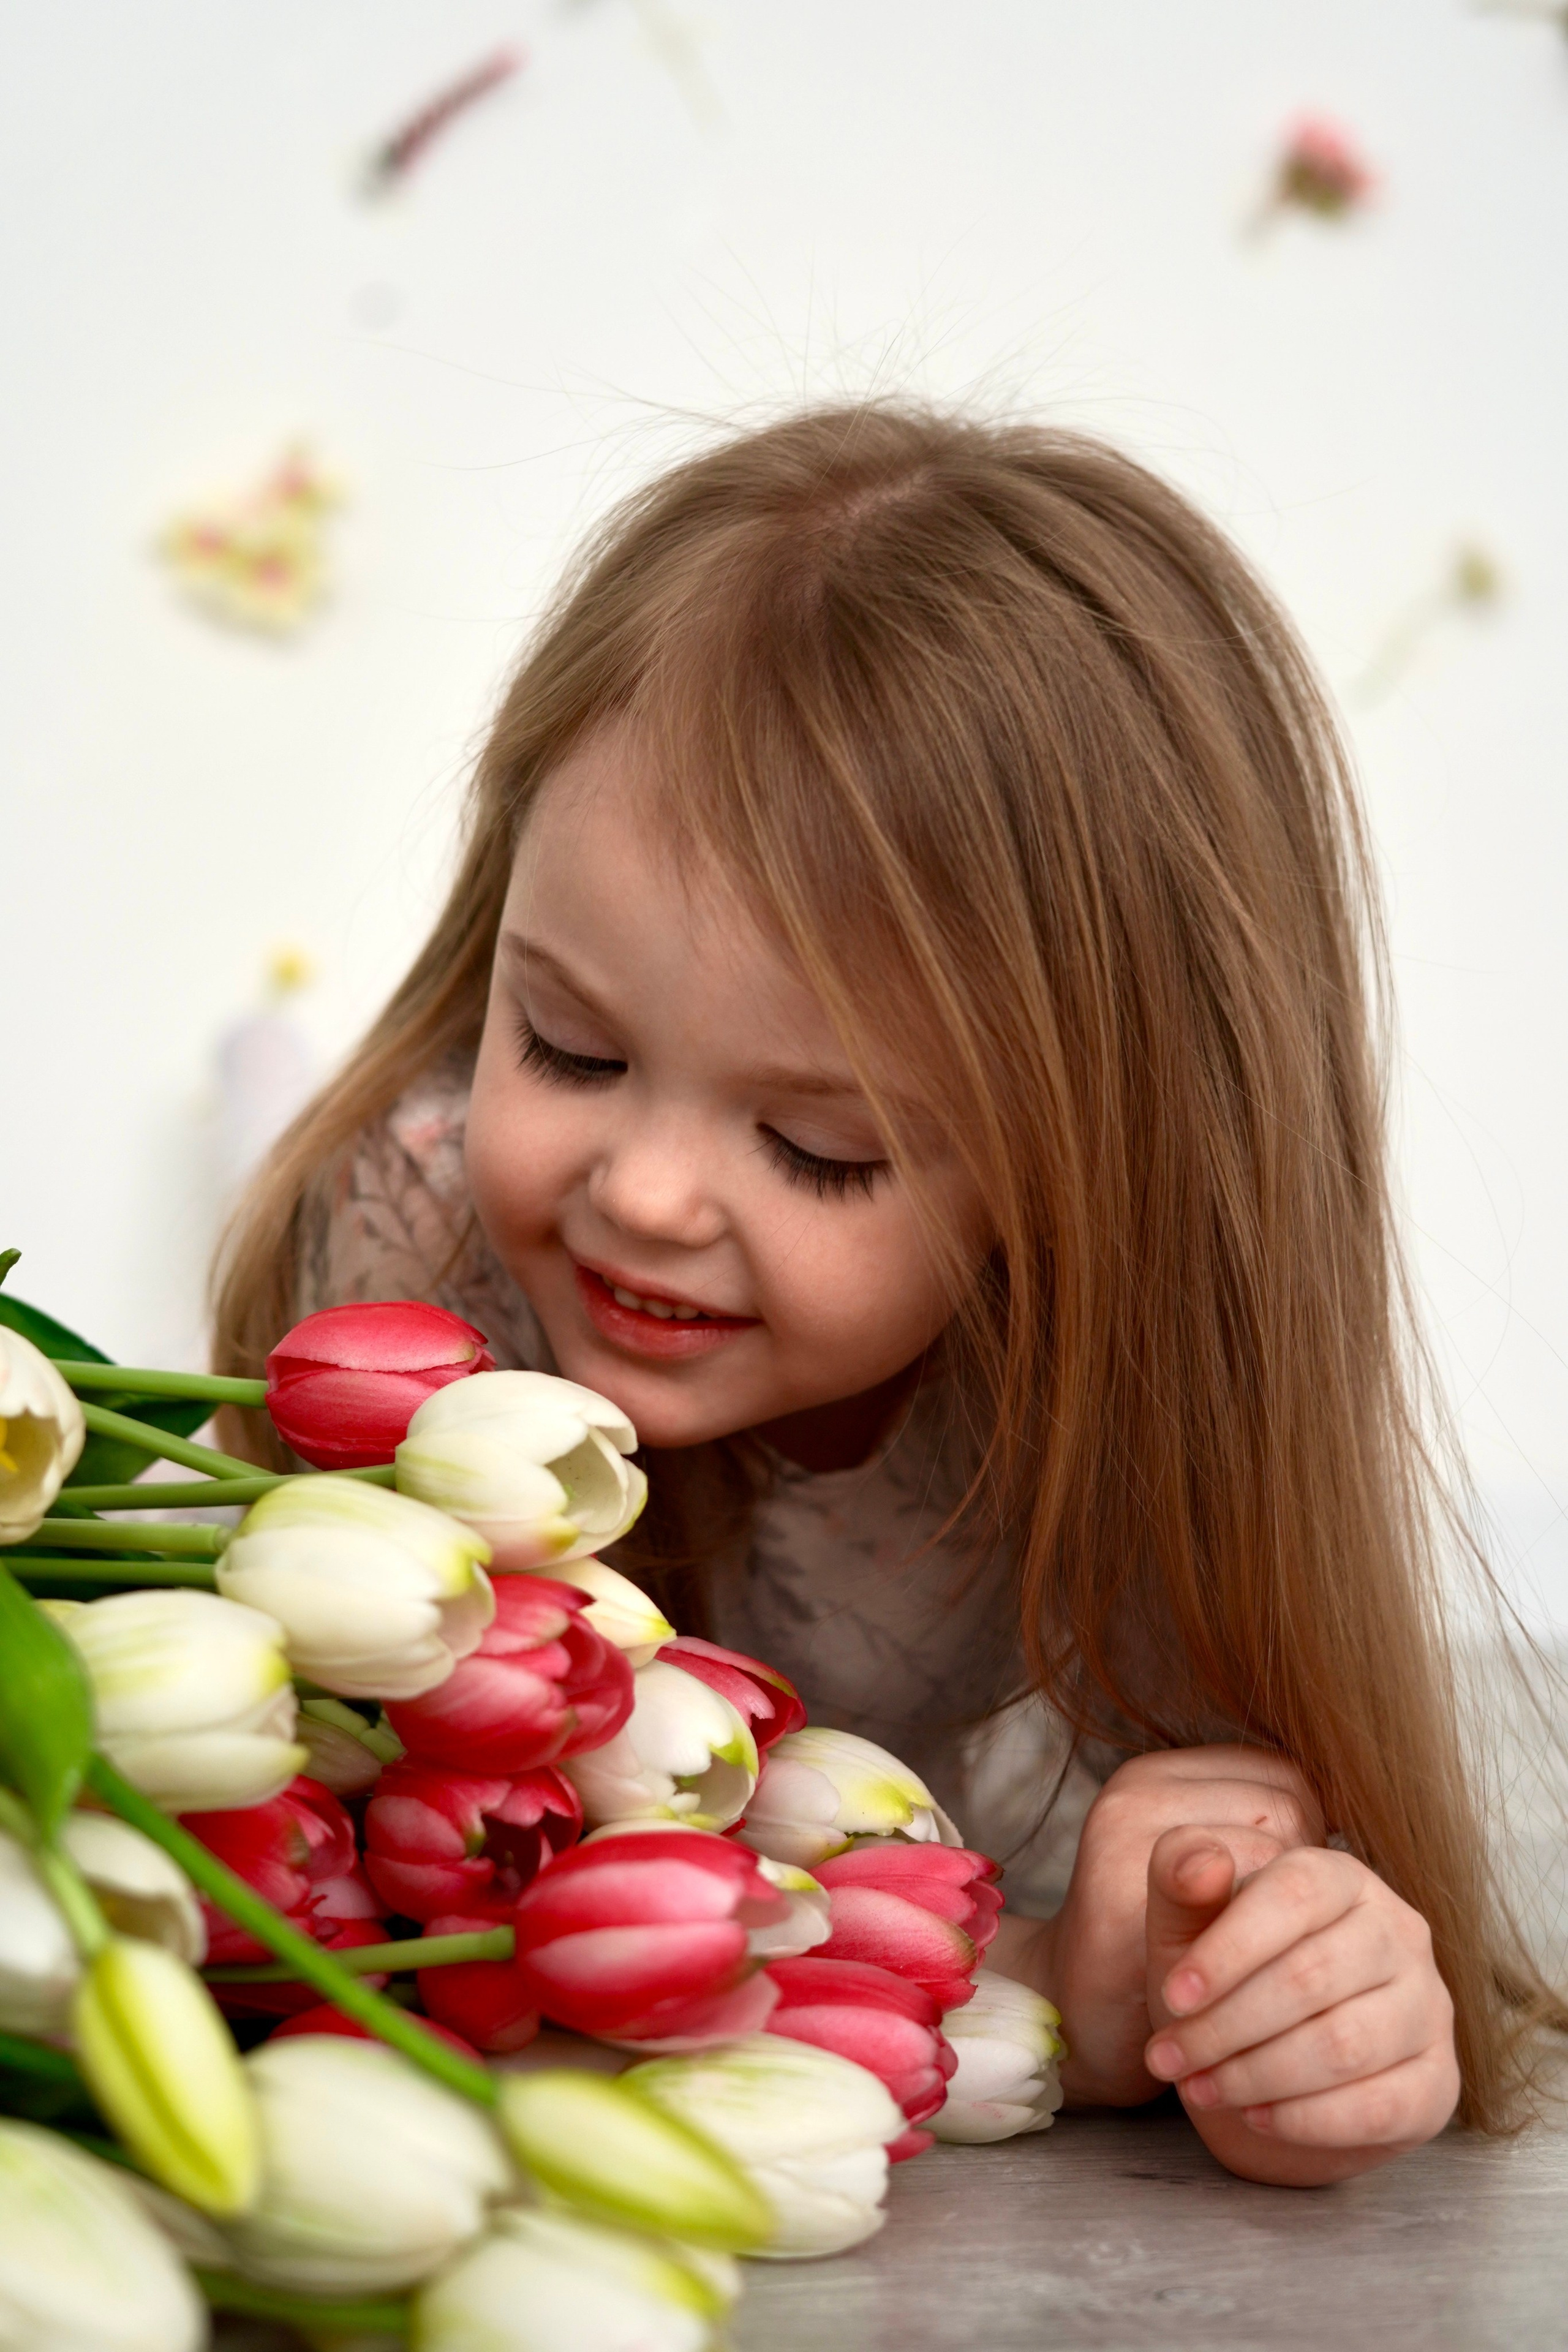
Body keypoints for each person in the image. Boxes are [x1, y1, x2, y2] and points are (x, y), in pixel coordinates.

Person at [214, 402, 1558, 2185]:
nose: (647, 1193)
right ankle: (257, 1081)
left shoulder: (1108, 1382)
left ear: (1089, 1185)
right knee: (320, 1146)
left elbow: (1203, 1896)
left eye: (823, 1146)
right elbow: (366, 1898)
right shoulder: (415, 1235)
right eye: (569, 1041)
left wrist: (1283, 1987)